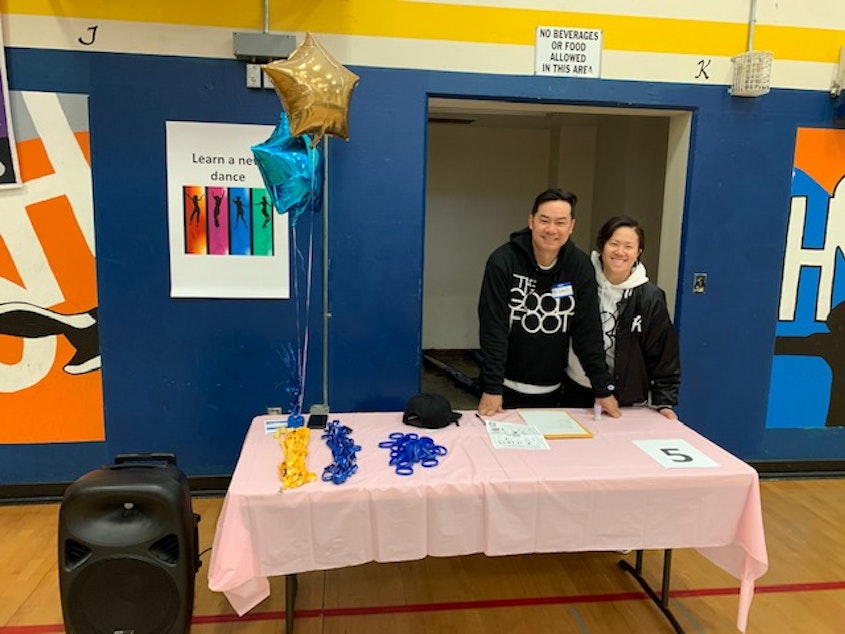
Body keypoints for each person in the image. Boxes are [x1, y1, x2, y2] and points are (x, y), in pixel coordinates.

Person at [476, 188, 620, 418]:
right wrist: (492, 386)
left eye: (560, 222)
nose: (552, 229)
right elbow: (493, 329)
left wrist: (602, 387)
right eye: (544, 220)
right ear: (531, 221)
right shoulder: (502, 261)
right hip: (503, 389)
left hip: (555, 388)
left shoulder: (579, 266)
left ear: (571, 226)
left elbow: (588, 332)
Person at [560, 215, 680, 419]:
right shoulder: (580, 280)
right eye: (614, 244)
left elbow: (663, 355)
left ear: (638, 252)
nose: (620, 252)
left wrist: (664, 402)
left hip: (625, 399)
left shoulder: (650, 298)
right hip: (575, 390)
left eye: (628, 246)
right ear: (602, 246)